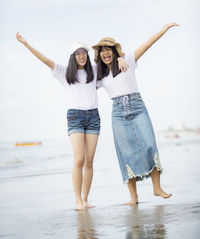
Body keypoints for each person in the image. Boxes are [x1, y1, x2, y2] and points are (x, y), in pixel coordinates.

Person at [16, 33, 126, 210]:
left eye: (84, 52)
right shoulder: (63, 71)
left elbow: (109, 61)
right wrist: (26, 44)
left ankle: (85, 199)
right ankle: (77, 200)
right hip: (75, 116)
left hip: (93, 117)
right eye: (78, 53)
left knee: (89, 160)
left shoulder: (95, 70)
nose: (82, 55)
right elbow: (44, 59)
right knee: (79, 159)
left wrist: (120, 58)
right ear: (73, 56)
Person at [92, 23, 179, 205]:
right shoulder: (98, 74)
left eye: (109, 50)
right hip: (117, 113)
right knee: (125, 153)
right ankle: (134, 197)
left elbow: (147, 44)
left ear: (115, 51)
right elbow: (82, 80)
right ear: (99, 54)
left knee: (149, 144)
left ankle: (157, 188)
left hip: (138, 107)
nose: (105, 53)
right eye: (102, 51)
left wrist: (164, 29)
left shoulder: (129, 61)